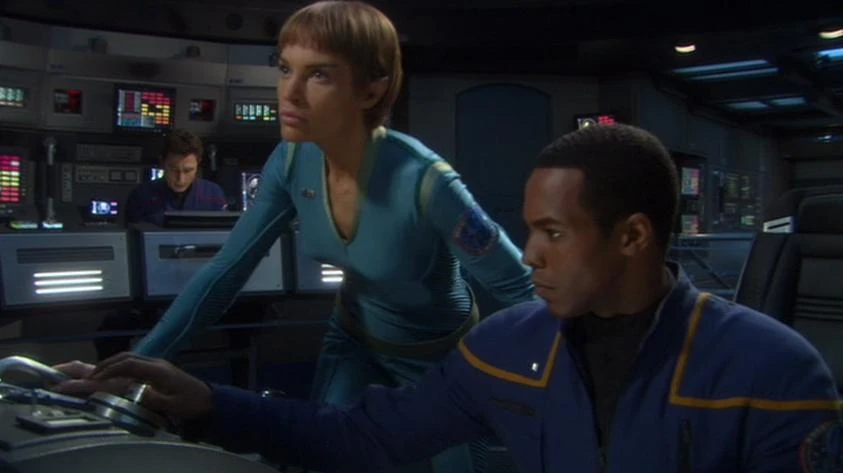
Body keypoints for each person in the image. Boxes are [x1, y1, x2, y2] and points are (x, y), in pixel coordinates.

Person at [57, 123, 843, 473]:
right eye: (527, 229)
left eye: (553, 233)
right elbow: (359, 437)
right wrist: (206, 402)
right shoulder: (505, 347)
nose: (528, 253)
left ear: (632, 236)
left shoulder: (773, 372)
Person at [66, 2, 534, 473]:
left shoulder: (427, 182)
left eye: (319, 75)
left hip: (438, 357)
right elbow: (227, 271)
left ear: (371, 90)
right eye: (285, 68)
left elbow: (521, 287)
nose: (289, 93)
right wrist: (136, 366)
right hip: (353, 338)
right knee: (318, 458)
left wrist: (551, 378)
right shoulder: (291, 160)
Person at [125, 129, 228, 226]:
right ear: (162, 163)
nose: (180, 180)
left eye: (188, 170)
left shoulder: (213, 194)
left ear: (198, 163)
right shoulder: (141, 196)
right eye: (174, 170)